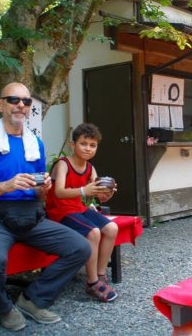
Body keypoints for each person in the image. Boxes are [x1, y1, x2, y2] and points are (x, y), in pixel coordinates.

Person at [0, 83, 91, 332]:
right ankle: (3, 306)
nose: (21, 105)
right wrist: (6, 185)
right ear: (0, 104)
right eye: (14, 99)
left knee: (80, 247)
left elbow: (38, 189)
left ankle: (32, 299)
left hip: (32, 216)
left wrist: (43, 187)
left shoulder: (34, 142)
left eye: (26, 102)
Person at [45, 123, 119, 302]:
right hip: (59, 211)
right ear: (73, 145)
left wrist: (107, 192)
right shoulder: (63, 164)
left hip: (77, 208)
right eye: (83, 144)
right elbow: (59, 192)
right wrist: (84, 190)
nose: (88, 148)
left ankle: (100, 274)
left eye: (92, 145)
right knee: (92, 232)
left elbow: (99, 197)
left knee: (112, 228)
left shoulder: (90, 168)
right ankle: (92, 283)